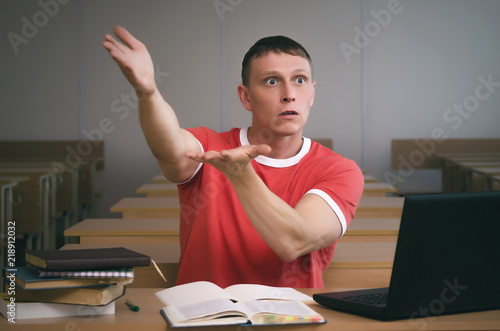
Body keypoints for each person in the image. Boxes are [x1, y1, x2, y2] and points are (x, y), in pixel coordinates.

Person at [102, 26, 364, 288]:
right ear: (246, 97)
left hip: (291, 323)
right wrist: (148, 92)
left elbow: (293, 241)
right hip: (203, 319)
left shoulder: (340, 171)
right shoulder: (211, 146)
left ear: (312, 94)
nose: (289, 93)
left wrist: (240, 174)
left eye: (299, 80)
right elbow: (168, 146)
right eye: (272, 81)